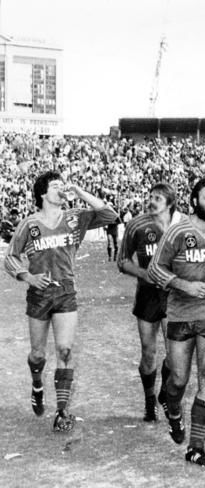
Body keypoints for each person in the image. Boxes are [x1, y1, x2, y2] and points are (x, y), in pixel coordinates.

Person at [4, 171, 118, 431]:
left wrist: (79, 192)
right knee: (37, 355)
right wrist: (27, 277)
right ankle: (37, 384)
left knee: (65, 351)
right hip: (39, 293)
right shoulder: (29, 224)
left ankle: (62, 411)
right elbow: (10, 257)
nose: (62, 189)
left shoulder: (75, 218)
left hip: (66, 291)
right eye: (56, 186)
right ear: (43, 193)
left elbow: (110, 215)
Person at [148, 178, 205, 466]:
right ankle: (173, 409)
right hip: (181, 314)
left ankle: (196, 446)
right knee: (178, 379)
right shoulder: (179, 232)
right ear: (194, 202)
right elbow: (155, 269)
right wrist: (184, 285)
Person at [117, 183, 184, 422]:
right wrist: (145, 274)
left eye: (158, 198)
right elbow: (122, 261)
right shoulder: (137, 224)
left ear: (170, 203)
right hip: (147, 296)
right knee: (148, 353)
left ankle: (165, 392)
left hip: (175, 296)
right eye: (151, 196)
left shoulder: (183, 225)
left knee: (175, 355)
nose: (151, 200)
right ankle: (149, 400)